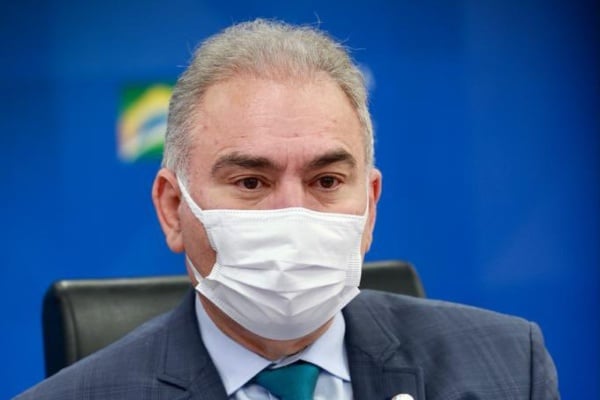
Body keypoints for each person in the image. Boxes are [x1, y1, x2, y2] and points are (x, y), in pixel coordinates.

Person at [15, 19, 559, 400]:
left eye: (327, 181)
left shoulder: (509, 368)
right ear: (173, 208)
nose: (294, 214)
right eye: (251, 182)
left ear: (369, 208)